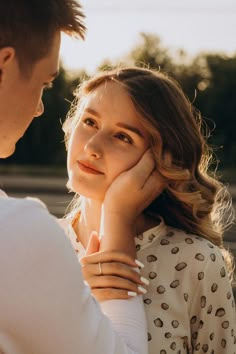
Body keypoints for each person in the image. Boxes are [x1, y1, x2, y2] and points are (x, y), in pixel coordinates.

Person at [0, 2, 157, 353]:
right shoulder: (19, 232)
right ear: (3, 66)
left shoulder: (196, 260)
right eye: (44, 83)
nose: (40, 107)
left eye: (123, 136)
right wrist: (117, 220)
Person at [62, 66, 236, 353]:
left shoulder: (198, 262)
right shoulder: (37, 244)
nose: (92, 146)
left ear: (160, 161)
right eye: (90, 122)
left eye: (123, 137)